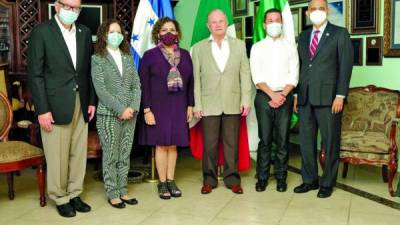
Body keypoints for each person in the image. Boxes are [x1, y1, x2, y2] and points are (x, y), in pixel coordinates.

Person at [27, 0, 96, 217]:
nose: (71, 11)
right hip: (54, 104)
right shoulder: (42, 32)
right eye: (67, 6)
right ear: (56, 6)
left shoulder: (84, 32)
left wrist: (92, 100)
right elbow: (35, 74)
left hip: (81, 101)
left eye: (76, 7)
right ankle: (60, 196)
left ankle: (75, 193)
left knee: (78, 152)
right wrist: (42, 110)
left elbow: (87, 70)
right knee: (57, 154)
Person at [293, 0, 353, 198]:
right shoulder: (302, 36)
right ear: (308, 13)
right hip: (305, 98)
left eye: (321, 8)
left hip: (329, 99)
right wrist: (295, 94)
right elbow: (300, 67)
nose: (317, 11)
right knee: (306, 142)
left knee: (330, 142)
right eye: (313, 9)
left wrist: (340, 95)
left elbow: (345, 66)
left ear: (327, 11)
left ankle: (327, 182)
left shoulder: (339, 33)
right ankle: (309, 180)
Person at [192, 9, 252, 195]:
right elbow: (196, 79)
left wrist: (246, 99)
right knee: (209, 145)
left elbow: (245, 74)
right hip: (209, 104)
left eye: (221, 21)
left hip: (233, 102)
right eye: (213, 22)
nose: (217, 25)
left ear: (226, 23)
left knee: (231, 144)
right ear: (208, 26)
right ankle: (209, 180)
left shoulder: (239, 45)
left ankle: (232, 179)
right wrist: (197, 104)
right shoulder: (199, 48)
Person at [138, 17, 194, 200]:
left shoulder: (185, 55)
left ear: (177, 33)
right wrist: (147, 110)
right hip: (158, 107)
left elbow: (191, 83)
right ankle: (162, 182)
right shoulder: (150, 55)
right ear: (158, 34)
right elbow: (143, 85)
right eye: (164, 30)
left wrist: (190, 105)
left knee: (174, 144)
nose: (168, 33)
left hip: (179, 106)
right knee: (162, 144)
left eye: (172, 29)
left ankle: (171, 180)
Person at [91, 19, 141, 208]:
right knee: (111, 155)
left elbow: (137, 85)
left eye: (119, 32)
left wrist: (133, 107)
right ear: (104, 35)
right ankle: (112, 193)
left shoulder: (128, 57)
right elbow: (101, 90)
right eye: (112, 32)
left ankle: (123, 190)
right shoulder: (97, 59)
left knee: (124, 154)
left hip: (130, 114)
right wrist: (120, 109)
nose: (116, 35)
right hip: (109, 115)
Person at [250, 8, 299, 193]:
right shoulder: (257, 47)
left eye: (277, 20)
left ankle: (281, 178)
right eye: (270, 21)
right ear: (264, 25)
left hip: (284, 96)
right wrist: (272, 95)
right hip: (264, 97)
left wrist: (282, 95)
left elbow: (294, 75)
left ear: (282, 23)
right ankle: (262, 177)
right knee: (265, 139)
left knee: (283, 140)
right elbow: (257, 76)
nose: (274, 24)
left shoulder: (290, 46)